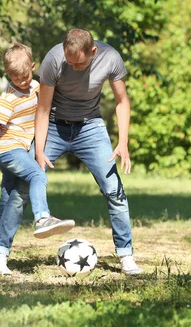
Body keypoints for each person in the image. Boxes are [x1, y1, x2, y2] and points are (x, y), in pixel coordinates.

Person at [34, 28, 142, 275]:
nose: (73, 67)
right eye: (69, 61)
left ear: (93, 51)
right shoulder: (53, 59)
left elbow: (122, 101)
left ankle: (126, 256)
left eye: (79, 64)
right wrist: (39, 150)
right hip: (54, 125)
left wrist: (123, 142)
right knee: (24, 180)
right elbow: (42, 107)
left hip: (90, 128)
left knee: (115, 190)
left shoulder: (110, 57)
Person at [0, 42, 75, 275]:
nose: (21, 82)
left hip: (18, 151)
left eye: (25, 77)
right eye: (15, 79)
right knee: (38, 173)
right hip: (9, 151)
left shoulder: (36, 86)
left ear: (33, 67)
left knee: (7, 207)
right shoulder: (9, 97)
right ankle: (42, 218)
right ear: (8, 75)